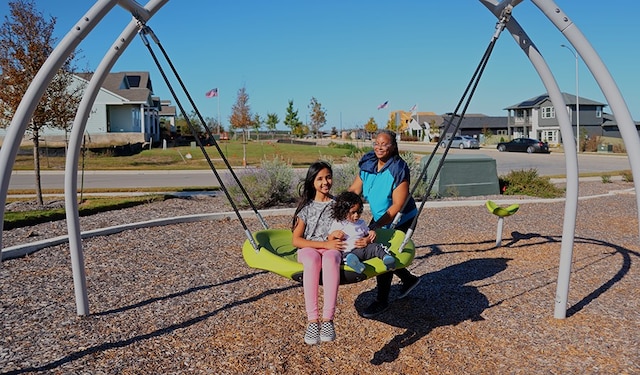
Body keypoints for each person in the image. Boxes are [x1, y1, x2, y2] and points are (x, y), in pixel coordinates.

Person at [349, 129, 421, 318]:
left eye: (385, 144)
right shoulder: (368, 164)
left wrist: (375, 226)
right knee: (373, 244)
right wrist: (339, 206)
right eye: (377, 143)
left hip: (401, 217)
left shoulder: (398, 168)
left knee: (383, 251)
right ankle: (409, 279)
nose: (379, 147)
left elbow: (397, 206)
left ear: (393, 146)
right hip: (381, 215)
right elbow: (354, 190)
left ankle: (381, 301)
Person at [292, 161, 344, 345]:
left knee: (331, 258)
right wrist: (323, 244)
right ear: (312, 181)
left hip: (332, 249)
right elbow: (296, 240)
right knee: (313, 259)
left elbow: (351, 225)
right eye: (320, 178)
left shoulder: (338, 205)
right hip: (309, 249)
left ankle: (328, 320)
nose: (325, 182)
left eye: (328, 177)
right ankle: (313, 321)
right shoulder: (306, 208)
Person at [328, 191, 396, 274]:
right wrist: (333, 234)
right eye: (353, 212)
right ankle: (356, 265)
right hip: (349, 251)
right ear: (343, 211)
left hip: (364, 249)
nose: (356, 215)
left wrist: (370, 236)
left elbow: (367, 235)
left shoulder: (361, 223)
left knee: (376, 247)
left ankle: (387, 258)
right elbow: (329, 240)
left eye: (358, 212)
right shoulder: (338, 223)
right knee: (346, 256)